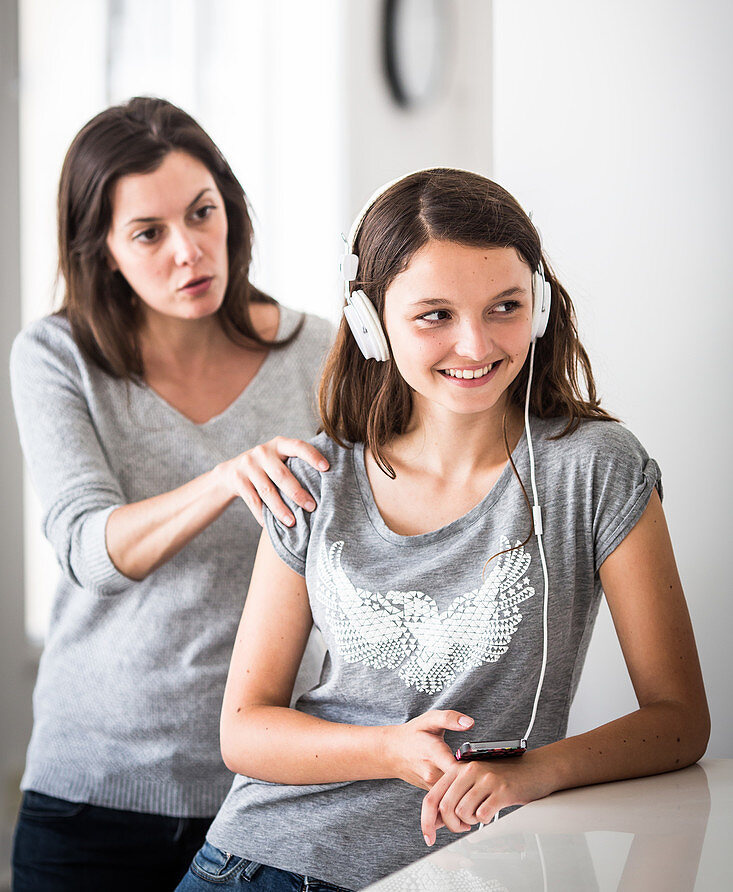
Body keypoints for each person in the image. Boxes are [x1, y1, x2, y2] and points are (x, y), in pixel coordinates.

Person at [176, 169, 709, 892]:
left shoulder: (593, 468)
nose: (474, 344)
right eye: (434, 315)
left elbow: (678, 721)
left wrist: (536, 772)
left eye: (504, 307)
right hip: (260, 860)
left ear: (540, 307)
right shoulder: (316, 476)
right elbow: (245, 730)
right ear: (371, 324)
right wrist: (389, 750)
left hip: (476, 870)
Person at [9, 97, 333, 892]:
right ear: (105, 251)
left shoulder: (320, 354)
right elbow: (88, 548)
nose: (189, 252)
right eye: (149, 234)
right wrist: (225, 479)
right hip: (92, 794)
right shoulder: (56, 356)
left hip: (269, 792)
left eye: (202, 214)